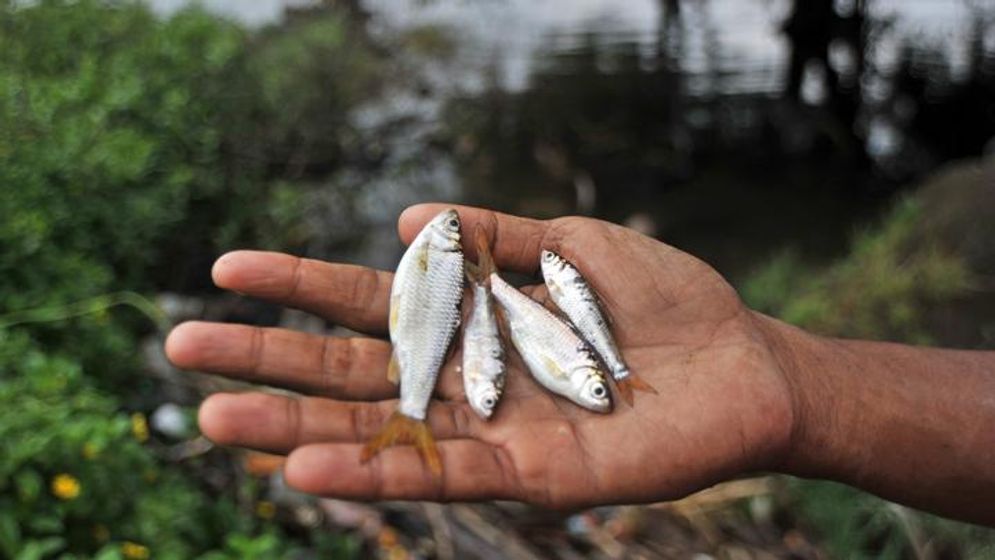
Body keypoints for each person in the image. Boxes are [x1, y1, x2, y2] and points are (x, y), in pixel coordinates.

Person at [164, 204, 995, 526]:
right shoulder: (450, 268)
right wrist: (794, 380)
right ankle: (412, 411)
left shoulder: (458, 269)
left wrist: (782, 377)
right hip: (490, 320)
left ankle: (415, 409)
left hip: (508, 321)